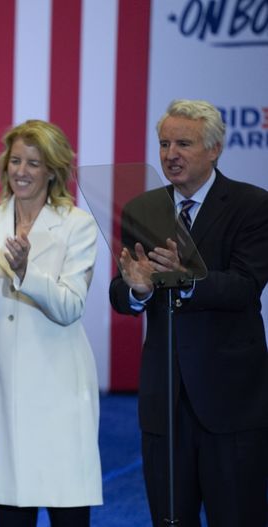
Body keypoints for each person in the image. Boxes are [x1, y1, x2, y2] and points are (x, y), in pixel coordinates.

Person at [110, 99, 268, 526]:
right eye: (163, 144)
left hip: (229, 402)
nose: (170, 154)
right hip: (166, 400)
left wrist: (185, 277)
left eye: (184, 143)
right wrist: (138, 290)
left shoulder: (252, 205)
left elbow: (245, 286)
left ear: (215, 149)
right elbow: (120, 292)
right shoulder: (144, 209)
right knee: (169, 518)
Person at [0, 120, 102, 526]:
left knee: (67, 503)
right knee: (12, 505)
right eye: (15, 160)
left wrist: (23, 273)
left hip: (60, 383)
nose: (21, 171)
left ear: (52, 170)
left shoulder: (78, 226)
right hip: (4, 382)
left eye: (33, 163)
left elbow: (70, 306)